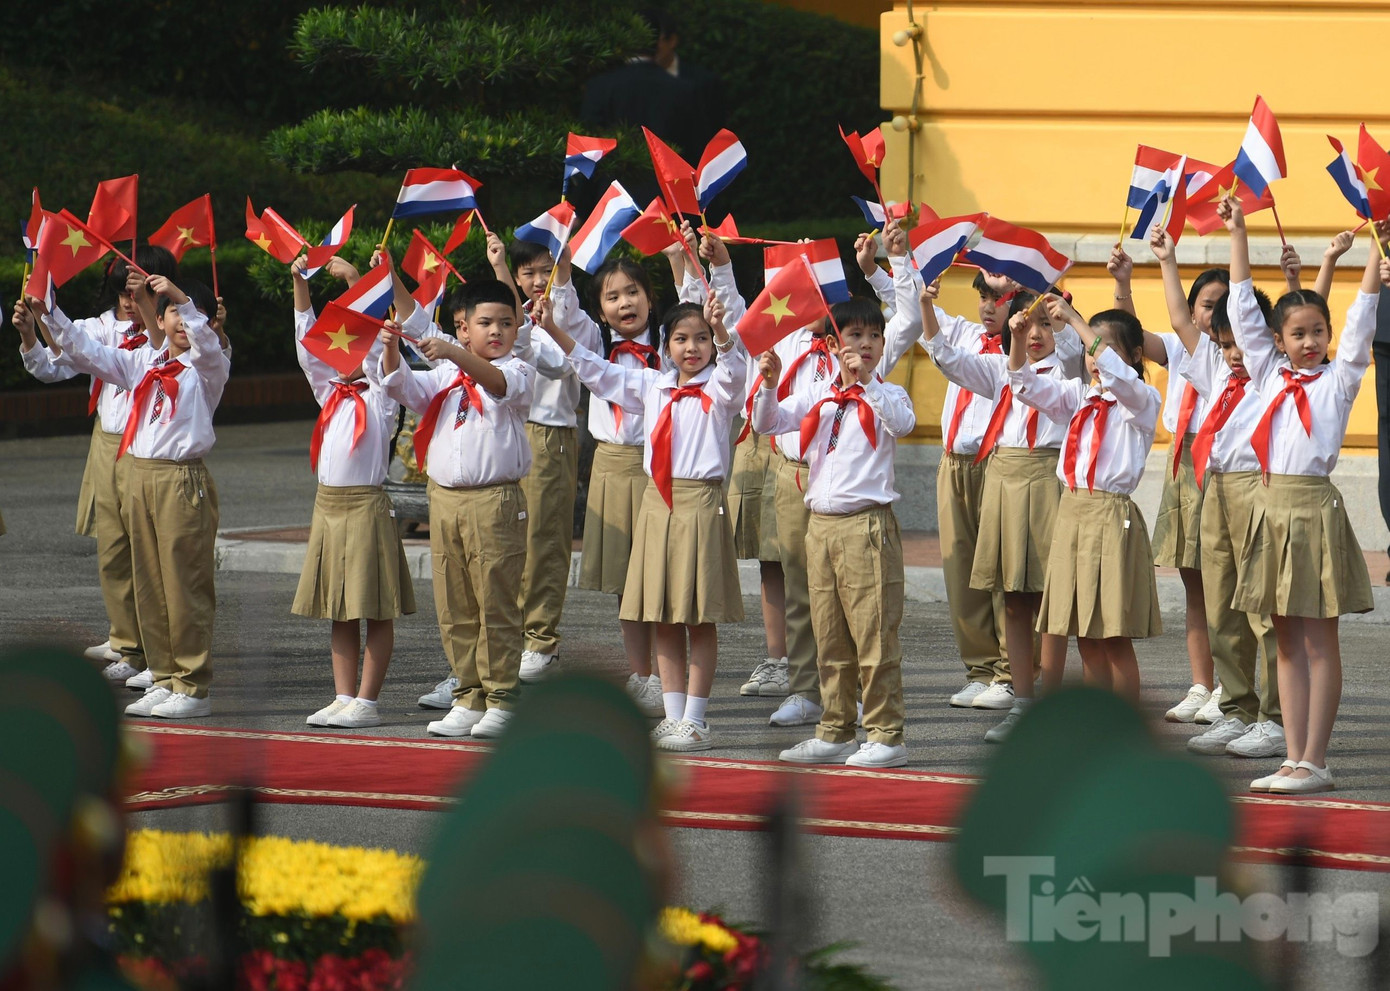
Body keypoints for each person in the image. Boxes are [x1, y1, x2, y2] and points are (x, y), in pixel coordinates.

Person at [1221, 194, 1381, 795]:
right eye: (1298, 333)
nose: (1310, 341)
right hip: (1270, 511)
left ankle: (1316, 759)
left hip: (1313, 512)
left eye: (1318, 332)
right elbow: (1241, 305)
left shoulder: (1339, 380)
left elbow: (1362, 320)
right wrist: (1238, 231)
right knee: (1284, 639)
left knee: (1318, 640)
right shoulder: (1266, 374)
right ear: (1278, 340)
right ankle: (1291, 756)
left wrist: (1376, 252)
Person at [538, 294, 747, 752]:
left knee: (698, 617)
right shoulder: (653, 385)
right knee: (663, 614)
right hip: (657, 503)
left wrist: (723, 333)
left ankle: (696, 720)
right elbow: (597, 370)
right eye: (681, 339)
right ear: (666, 345)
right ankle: (673, 717)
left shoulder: (719, 389)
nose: (692, 348)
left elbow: (735, 374)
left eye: (701, 339)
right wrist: (552, 328)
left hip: (700, 502)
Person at [37, 276, 229, 718]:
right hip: (138, 476)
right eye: (173, 313)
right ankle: (163, 676)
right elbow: (88, 352)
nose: (184, 322)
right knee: (150, 585)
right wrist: (50, 311)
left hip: (180, 480)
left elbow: (205, 340)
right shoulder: (144, 360)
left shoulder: (208, 366)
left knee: (184, 584)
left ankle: (193, 685)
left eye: (192, 314)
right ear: (156, 320)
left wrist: (181, 297)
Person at [757, 226, 920, 730]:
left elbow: (902, 421)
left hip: (865, 524)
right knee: (824, 626)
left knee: (871, 630)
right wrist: (767, 386)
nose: (865, 344)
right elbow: (769, 422)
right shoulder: (819, 390)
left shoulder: (886, 390)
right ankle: (831, 722)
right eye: (855, 337)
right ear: (834, 341)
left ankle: (884, 731)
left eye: (874, 337)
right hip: (816, 515)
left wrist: (867, 379)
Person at [375, 281, 535, 740]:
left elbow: (498, 385)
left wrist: (451, 352)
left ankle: (503, 698)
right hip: (444, 499)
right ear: (465, 328)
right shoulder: (446, 374)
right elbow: (404, 386)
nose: (497, 331)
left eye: (506, 323)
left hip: (494, 500)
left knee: (496, 603)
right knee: (454, 604)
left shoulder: (518, 368)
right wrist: (391, 349)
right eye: (486, 323)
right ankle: (468, 695)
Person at [921, 285, 1078, 742]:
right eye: (1028, 325)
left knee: (1049, 598)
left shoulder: (1069, 371)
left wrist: (1066, 319)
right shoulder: (999, 369)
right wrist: (926, 306)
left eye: (1046, 325)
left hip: (1047, 477)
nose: (1037, 334)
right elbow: (948, 359)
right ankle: (1022, 703)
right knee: (1011, 593)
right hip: (1004, 477)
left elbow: (1074, 352)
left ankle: (1050, 704)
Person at [14, 248, 177, 684]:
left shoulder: (172, 333)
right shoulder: (101, 327)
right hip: (108, 442)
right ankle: (127, 642)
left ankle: (156, 650)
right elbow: (57, 363)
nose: (129, 301)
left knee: (149, 550)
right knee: (114, 549)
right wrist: (33, 331)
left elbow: (197, 355)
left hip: (148, 446)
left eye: (138, 291)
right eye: (123, 291)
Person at [1150, 226, 1283, 760]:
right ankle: (1236, 709)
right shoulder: (1214, 366)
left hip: (1256, 491)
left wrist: (1237, 232)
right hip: (1216, 490)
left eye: (1240, 342)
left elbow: (1244, 301)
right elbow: (1182, 321)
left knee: (1262, 609)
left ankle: (1275, 718)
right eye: (1225, 344)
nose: (1232, 353)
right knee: (1222, 605)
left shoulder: (1268, 372)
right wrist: (1167, 260)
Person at [1008, 299, 1163, 699]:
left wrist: (1076, 322)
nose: (1096, 359)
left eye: (1106, 348)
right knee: (1084, 633)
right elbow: (1024, 386)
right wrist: (1017, 340)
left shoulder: (1141, 400)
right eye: (1092, 351)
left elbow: (1119, 377)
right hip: (1072, 512)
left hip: (1109, 515)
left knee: (1112, 634)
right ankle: (1098, 725)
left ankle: (1123, 726)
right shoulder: (1081, 396)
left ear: (1135, 355)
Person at [289, 255, 416, 729]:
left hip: (365, 507)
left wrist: (355, 281)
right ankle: (343, 695)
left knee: (375, 608)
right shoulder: (329, 393)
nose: (338, 356)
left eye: (349, 348)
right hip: (327, 507)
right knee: (338, 609)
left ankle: (368, 700)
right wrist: (300, 284)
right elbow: (305, 344)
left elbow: (380, 357)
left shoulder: (380, 397)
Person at [549, 255, 667, 717]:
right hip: (614, 465)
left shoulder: (672, 340)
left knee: (663, 575)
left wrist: (683, 261)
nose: (625, 303)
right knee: (624, 579)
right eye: (612, 296)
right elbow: (565, 318)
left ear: (650, 297)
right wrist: (562, 271)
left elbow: (700, 304)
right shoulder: (595, 342)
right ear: (599, 309)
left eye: (633, 292)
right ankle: (642, 673)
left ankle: (669, 675)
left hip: (662, 465)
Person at [1112, 245, 1222, 722]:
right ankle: (1202, 684)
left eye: (1223, 305)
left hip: (1218, 463)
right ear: (1193, 310)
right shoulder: (1179, 348)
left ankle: (1231, 689)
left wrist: (1166, 260)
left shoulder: (1235, 356)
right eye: (1207, 305)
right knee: (1193, 584)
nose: (1213, 314)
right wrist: (1122, 283)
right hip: (1183, 463)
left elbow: (1175, 320)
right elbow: (1127, 338)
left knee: (1223, 585)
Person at [489, 236, 582, 684]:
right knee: (504, 541)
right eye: (528, 272)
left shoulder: (569, 313)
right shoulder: (507, 318)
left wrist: (558, 274)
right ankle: (501, 645)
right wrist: (500, 267)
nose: (538, 280)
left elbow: (559, 362)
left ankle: (541, 641)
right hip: (507, 429)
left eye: (548, 269)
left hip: (549, 435)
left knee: (543, 540)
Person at [924, 273, 1012, 709]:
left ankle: (1012, 672)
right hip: (954, 463)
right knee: (961, 571)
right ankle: (980, 669)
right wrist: (882, 268)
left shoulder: (1029, 349)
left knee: (1003, 570)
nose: (988, 306)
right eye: (983, 296)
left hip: (997, 462)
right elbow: (911, 311)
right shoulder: (964, 333)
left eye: (999, 297)